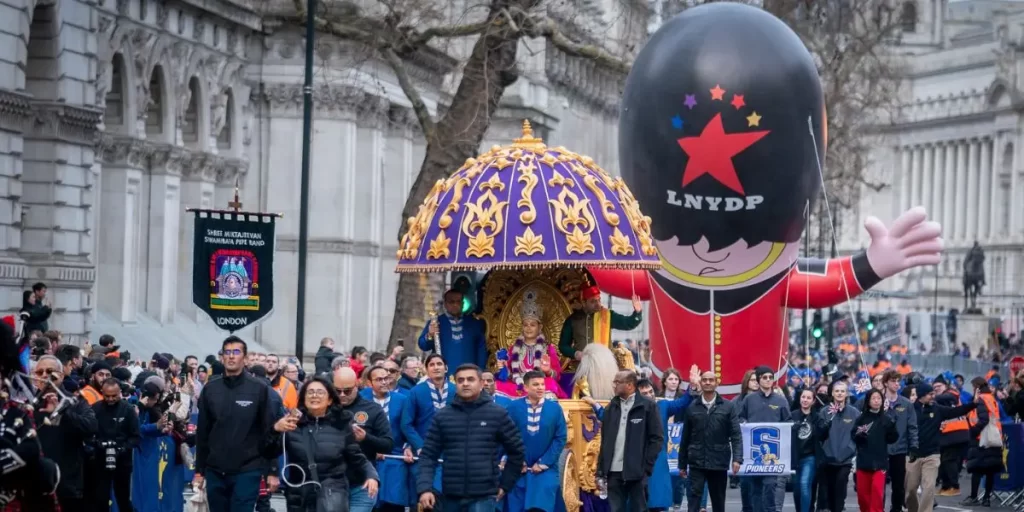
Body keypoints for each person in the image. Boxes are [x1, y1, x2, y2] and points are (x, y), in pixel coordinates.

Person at [417, 364, 525, 512]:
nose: (465, 383)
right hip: (450, 495)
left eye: (470, 379)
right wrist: (425, 488)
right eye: (460, 380)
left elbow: (517, 452)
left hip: (484, 496)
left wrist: (505, 485)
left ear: (481, 383)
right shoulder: (443, 416)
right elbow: (428, 455)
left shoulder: (497, 414)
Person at [263, 376, 379, 512]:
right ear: (303, 398)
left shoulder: (341, 424)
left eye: (320, 392)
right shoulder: (291, 424)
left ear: (330, 399)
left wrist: (372, 476)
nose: (315, 396)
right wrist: (275, 429)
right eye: (310, 392)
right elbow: (267, 451)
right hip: (299, 494)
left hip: (332, 494)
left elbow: (356, 456)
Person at [194, 336, 279, 512]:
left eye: (236, 352)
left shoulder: (259, 389)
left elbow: (268, 431)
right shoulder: (210, 389)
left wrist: (272, 470)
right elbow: (203, 433)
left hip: (247, 469)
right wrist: (199, 471)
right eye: (227, 352)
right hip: (215, 469)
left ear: (245, 359)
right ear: (222, 357)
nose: (231, 356)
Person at [597, 370, 665, 512]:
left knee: (639, 508)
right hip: (613, 472)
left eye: (617, 382)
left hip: (637, 472)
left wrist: (646, 466)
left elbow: (657, 438)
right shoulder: (611, 407)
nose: (614, 385)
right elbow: (605, 441)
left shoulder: (647, 406)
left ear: (629, 385)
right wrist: (601, 470)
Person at [905, 381, 976, 512]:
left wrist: (974, 404)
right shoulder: (909, 409)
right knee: (910, 490)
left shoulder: (937, 409)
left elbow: (956, 411)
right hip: (912, 456)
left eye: (933, 393)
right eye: (930, 394)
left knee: (929, 487)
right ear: (921, 395)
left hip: (932, 455)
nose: (933, 396)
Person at [504, 370, 567, 512]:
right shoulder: (513, 408)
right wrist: (517, 460)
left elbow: (560, 437)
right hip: (519, 469)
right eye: (535, 384)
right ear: (526, 388)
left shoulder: (555, 409)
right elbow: (506, 436)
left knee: (541, 506)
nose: (540, 387)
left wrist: (544, 462)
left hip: (546, 470)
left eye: (542, 384)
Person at [678, 371, 742, 512]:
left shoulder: (728, 407)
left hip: (719, 461)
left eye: (711, 380)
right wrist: (682, 463)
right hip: (696, 462)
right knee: (693, 500)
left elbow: (736, 434)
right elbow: (685, 437)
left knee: (718, 501)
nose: (707, 382)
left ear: (717, 383)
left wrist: (737, 458)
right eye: (705, 380)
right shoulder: (692, 407)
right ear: (700, 383)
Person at [558, 286, 642, 391]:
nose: (598, 304)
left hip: (605, 369)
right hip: (582, 368)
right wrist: (576, 354)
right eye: (593, 301)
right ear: (584, 302)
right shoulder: (573, 320)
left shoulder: (608, 315)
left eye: (599, 300)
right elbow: (563, 346)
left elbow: (628, 323)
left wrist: (637, 313)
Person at [361, 365, 420, 512]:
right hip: (369, 457)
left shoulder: (402, 399)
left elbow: (409, 426)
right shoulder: (362, 399)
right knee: (371, 502)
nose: (384, 382)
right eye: (379, 379)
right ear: (370, 383)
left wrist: (408, 446)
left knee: (394, 501)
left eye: (386, 378)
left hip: (396, 455)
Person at [335, 367, 394, 512]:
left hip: (361, 483)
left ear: (357, 386)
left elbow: (388, 444)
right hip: (333, 483)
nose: (342, 395)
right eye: (338, 391)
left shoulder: (373, 409)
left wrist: (366, 438)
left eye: (347, 391)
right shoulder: (327, 409)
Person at [737, 366, 791, 512]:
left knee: (770, 485)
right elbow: (741, 416)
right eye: (764, 377)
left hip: (774, 451)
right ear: (759, 379)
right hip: (753, 452)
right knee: (755, 487)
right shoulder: (749, 399)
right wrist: (743, 422)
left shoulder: (780, 400)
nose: (768, 380)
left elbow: (788, 421)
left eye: (770, 377)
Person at [495, 290, 566, 398]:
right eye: (525, 325)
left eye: (532, 325)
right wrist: (504, 369)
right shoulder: (513, 349)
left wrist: (548, 371)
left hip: (539, 385)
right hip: (519, 386)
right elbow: (510, 376)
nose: (528, 328)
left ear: (540, 327)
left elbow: (557, 377)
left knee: (551, 384)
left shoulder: (547, 348)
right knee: (497, 386)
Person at [91, 377, 140, 512]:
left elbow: (136, 437)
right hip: (100, 460)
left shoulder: (128, 410)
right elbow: (89, 434)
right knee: (100, 500)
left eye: (114, 396)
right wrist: (98, 444)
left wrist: (122, 448)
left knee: (123, 499)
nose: (111, 399)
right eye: (107, 396)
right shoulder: (95, 409)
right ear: (102, 392)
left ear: (120, 393)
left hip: (123, 461)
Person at [419, 289, 488, 374]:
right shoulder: (436, 322)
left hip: (469, 374)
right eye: (451, 302)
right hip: (444, 375)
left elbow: (481, 350)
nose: (455, 305)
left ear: (463, 304)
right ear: (445, 304)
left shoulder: (474, 324)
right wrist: (429, 335)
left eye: (458, 302)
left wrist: (480, 371)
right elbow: (423, 345)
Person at [852, 389, 898, 512]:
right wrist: (859, 435)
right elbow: (853, 436)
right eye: (874, 398)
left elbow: (892, 439)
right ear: (868, 401)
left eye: (879, 398)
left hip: (880, 463)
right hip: (863, 462)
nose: (877, 401)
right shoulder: (861, 419)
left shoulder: (887, 419)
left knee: (877, 495)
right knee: (863, 498)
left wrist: (893, 426)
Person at [816, 380, 858, 512]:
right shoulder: (824, 412)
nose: (840, 393)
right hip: (827, 459)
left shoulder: (855, 413)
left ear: (846, 394)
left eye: (842, 391)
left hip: (845, 460)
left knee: (840, 490)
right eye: (837, 391)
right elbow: (819, 434)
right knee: (827, 494)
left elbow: (858, 435)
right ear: (832, 393)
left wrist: (851, 451)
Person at [961, 376, 1004, 507]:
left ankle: (974, 497)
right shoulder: (991, 398)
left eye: (974, 387)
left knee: (976, 469)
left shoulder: (981, 399)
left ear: (977, 388)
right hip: (994, 438)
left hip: (981, 439)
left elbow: (983, 419)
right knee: (990, 470)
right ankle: (986, 498)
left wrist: (974, 431)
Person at [881, 369, 917, 512]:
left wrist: (913, 446)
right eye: (893, 381)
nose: (897, 384)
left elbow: (912, 427)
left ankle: (896, 509)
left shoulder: (906, 404)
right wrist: (882, 411)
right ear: (885, 383)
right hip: (881, 450)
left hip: (900, 449)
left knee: (898, 486)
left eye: (898, 381)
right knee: (879, 486)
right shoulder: (877, 400)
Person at [790, 388, 821, 512]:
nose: (805, 400)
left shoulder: (817, 416)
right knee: (797, 490)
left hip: (810, 457)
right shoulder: (792, 415)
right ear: (799, 398)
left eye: (809, 398)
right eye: (803, 397)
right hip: (795, 457)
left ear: (813, 401)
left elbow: (822, 434)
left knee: (804, 485)